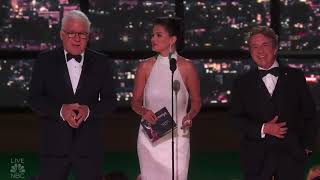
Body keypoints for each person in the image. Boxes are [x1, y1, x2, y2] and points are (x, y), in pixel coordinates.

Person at [28, 10, 114, 180]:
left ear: (88, 37)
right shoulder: (45, 60)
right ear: (62, 34)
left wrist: (88, 111)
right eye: (71, 33)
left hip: (89, 147)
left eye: (82, 34)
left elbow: (110, 101)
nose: (77, 38)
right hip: (54, 147)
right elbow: (35, 99)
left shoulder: (101, 62)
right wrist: (61, 110)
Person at [231, 26, 318, 180]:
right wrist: (264, 128)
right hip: (256, 159)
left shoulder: (295, 77)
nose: (260, 51)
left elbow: (310, 114)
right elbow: (236, 120)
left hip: (291, 156)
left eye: (265, 45)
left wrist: (307, 147)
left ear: (275, 48)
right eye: (254, 47)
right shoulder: (241, 83)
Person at [131, 17, 201, 180]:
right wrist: (143, 111)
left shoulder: (187, 67)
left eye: (158, 35)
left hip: (178, 138)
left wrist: (190, 116)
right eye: (152, 35)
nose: (153, 39)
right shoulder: (145, 67)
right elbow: (135, 102)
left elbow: (196, 101)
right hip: (150, 137)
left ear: (172, 39)